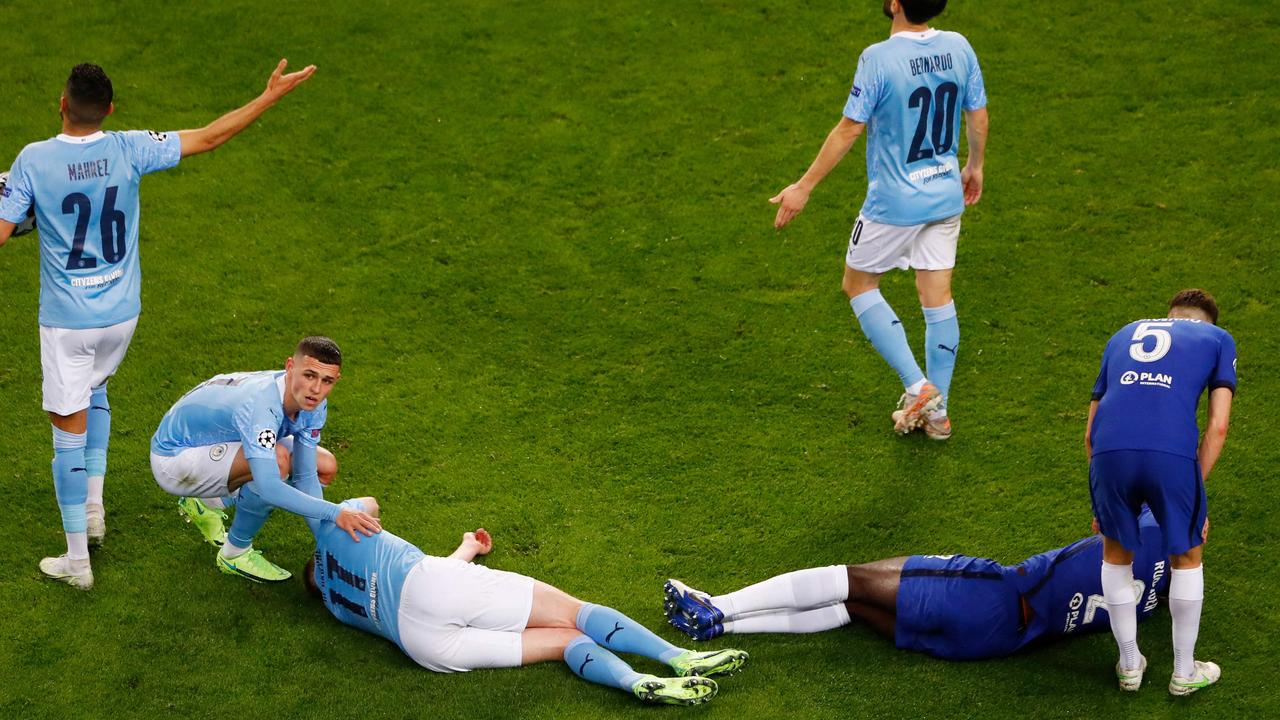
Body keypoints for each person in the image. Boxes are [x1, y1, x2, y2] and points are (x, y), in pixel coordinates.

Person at [0, 60, 317, 590]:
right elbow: (210, 137)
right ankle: (95, 507)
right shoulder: (129, 146)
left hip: (66, 324)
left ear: (61, 103)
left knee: (65, 436)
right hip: (121, 318)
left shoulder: (34, 160)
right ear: (111, 111)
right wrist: (267, 97)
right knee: (96, 389)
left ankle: (77, 562)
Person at [768, 0, 987, 439]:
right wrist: (974, 166)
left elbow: (850, 128)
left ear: (895, 4)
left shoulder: (878, 58)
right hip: (945, 194)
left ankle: (918, 386)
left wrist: (804, 186)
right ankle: (938, 414)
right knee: (937, 297)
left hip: (894, 204)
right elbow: (976, 114)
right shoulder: (959, 47)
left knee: (859, 284)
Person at [303, 498, 749, 706]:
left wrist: (465, 551)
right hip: (430, 583)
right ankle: (682, 658)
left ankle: (634, 683)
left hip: (421, 645)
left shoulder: (335, 605)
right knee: (575, 613)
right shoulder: (329, 530)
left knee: (561, 641)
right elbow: (372, 508)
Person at [665, 508, 1171, 663]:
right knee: (855, 607)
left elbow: (1039, 571)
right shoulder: (1156, 595)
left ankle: (720, 606)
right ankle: (722, 631)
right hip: (996, 643)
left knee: (852, 578)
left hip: (985, 597)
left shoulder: (1132, 539)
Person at [1086, 288, 1235, 695]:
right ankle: (1184, 673)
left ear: (1169, 315)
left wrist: (1102, 492)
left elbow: (1090, 431)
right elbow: (1218, 426)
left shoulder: (1123, 334)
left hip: (1109, 453)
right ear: (1207, 322)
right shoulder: (1218, 339)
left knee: (1115, 554)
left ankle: (1129, 666)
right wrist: (1194, 493)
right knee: (1187, 556)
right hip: (1171, 456)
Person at [150, 337, 380, 584]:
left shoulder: (313, 402)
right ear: (290, 366)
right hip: (174, 458)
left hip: (218, 441)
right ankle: (234, 553)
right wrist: (336, 513)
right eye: (310, 375)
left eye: (327, 381)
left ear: (336, 380)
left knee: (324, 466)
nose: (316, 389)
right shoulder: (261, 406)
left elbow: (305, 475)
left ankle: (207, 503)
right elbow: (270, 487)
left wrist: (326, 542)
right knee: (276, 464)